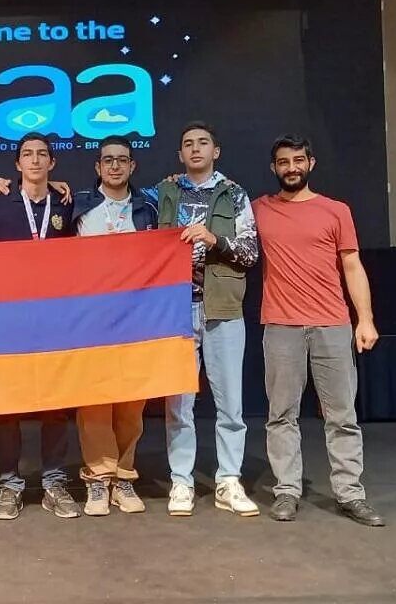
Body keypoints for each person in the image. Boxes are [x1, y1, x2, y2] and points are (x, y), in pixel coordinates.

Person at [251, 134, 385, 527]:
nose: (291, 168)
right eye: (283, 162)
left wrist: (365, 318)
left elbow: (352, 266)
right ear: (273, 167)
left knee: (342, 415)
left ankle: (350, 494)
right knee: (281, 414)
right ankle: (287, 491)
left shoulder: (335, 210)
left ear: (310, 163)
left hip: (332, 323)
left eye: (298, 160)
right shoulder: (258, 209)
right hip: (281, 324)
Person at [140, 122, 260, 518]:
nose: (195, 149)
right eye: (188, 144)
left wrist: (214, 239)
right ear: (180, 154)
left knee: (230, 403)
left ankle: (229, 480)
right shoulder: (163, 192)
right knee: (178, 404)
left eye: (203, 143)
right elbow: (118, 200)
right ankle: (182, 481)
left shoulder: (235, 194)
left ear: (216, 151)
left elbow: (250, 253)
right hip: (174, 309)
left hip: (222, 307)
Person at [0, 132, 80, 520]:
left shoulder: (68, 202)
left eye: (42, 154)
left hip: (54, 320)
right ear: (17, 164)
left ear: (52, 162)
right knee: (7, 405)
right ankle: (9, 484)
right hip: (8, 321)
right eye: (27, 155)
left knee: (55, 405)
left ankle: (54, 482)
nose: (35, 160)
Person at [70, 136, 157, 517]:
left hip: (136, 318)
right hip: (90, 318)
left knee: (131, 401)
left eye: (123, 160)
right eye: (108, 160)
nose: (116, 166)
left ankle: (123, 476)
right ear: (98, 167)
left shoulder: (148, 208)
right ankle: (98, 477)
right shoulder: (78, 205)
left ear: (132, 165)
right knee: (94, 400)